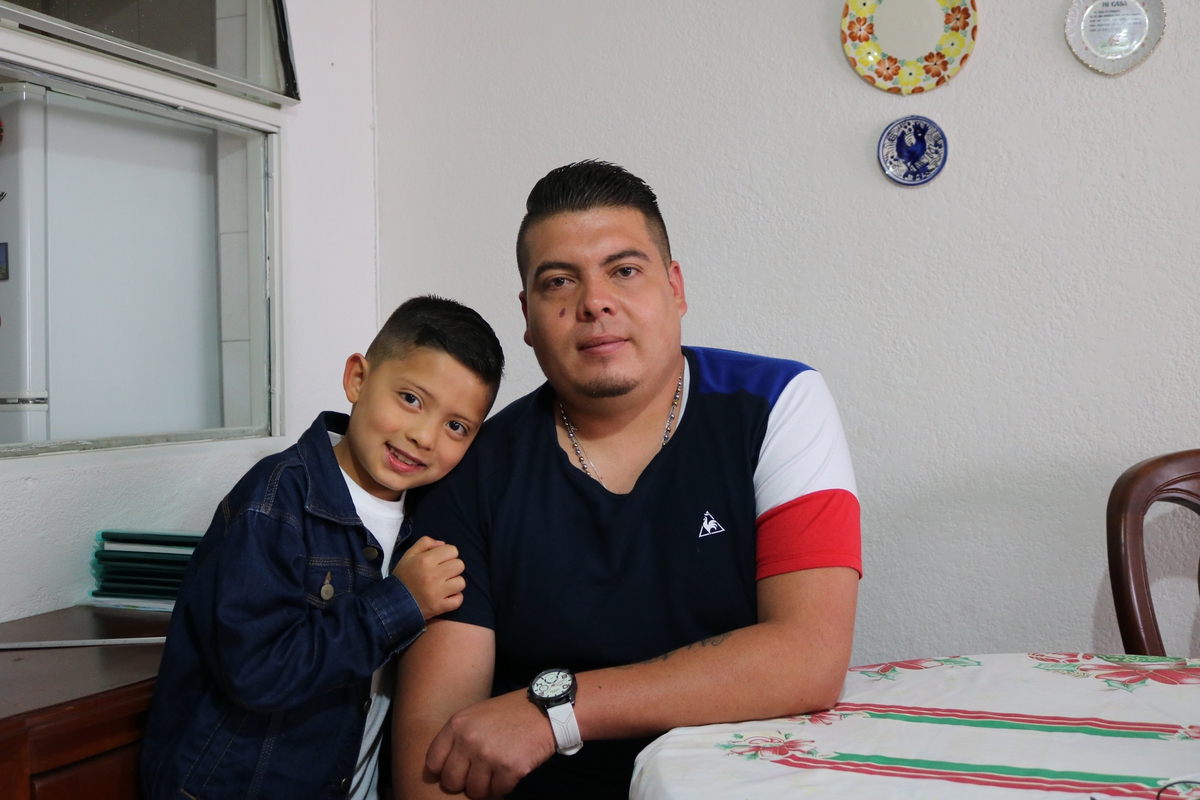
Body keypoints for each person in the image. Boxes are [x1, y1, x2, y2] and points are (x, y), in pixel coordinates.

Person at [393, 162, 862, 799]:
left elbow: (808, 656)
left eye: (625, 270)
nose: (594, 302)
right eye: (559, 282)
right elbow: (437, 743)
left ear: (676, 287)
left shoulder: (779, 404)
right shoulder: (468, 463)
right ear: (528, 317)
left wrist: (554, 711)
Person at [141, 296, 505, 800]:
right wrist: (400, 602)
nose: (424, 436)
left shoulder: (432, 516)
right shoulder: (274, 502)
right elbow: (257, 671)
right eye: (411, 399)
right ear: (358, 378)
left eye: (456, 427)